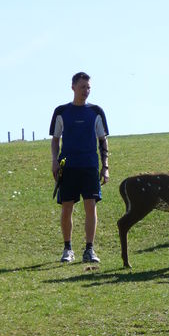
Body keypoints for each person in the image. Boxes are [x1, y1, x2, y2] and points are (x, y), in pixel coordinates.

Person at [49, 71, 109, 263]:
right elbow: (55, 139)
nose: (86, 91)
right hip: (69, 167)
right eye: (82, 87)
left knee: (90, 206)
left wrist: (105, 166)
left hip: (90, 166)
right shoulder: (61, 112)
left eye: (88, 87)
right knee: (67, 208)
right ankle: (68, 249)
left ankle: (89, 250)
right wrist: (54, 160)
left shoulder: (96, 112)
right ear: (73, 87)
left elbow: (103, 140)